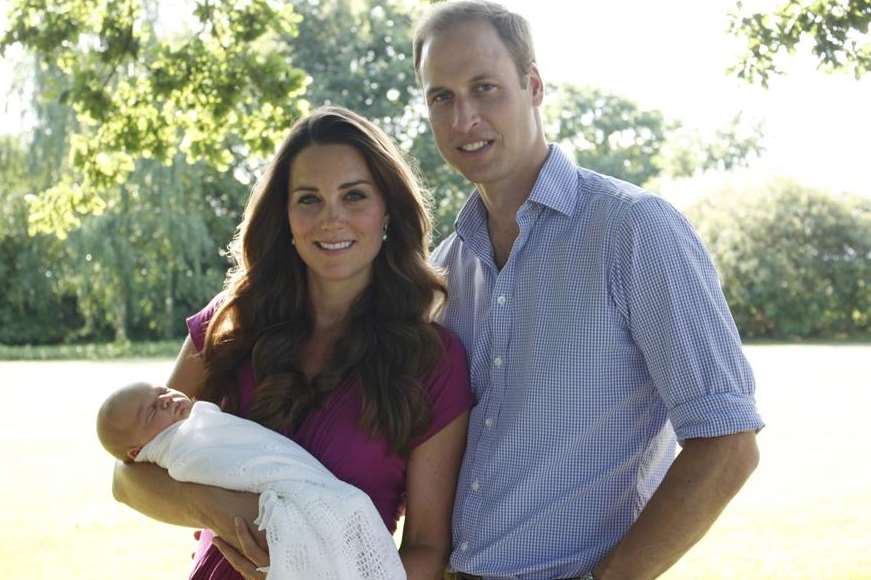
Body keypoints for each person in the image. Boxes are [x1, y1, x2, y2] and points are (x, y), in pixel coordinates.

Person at [412, 2, 765, 579]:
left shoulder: (634, 230)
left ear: (532, 86)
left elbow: (727, 443)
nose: (463, 118)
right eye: (441, 97)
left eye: (484, 88)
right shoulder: (444, 270)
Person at [111, 106, 473, 580]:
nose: (332, 219)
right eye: (309, 199)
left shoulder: (433, 361)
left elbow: (427, 548)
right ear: (284, 215)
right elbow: (128, 477)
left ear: (388, 210)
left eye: (354, 196)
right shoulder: (231, 321)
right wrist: (219, 508)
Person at [97, 382, 405, 579]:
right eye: (151, 412)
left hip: (325, 501)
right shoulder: (181, 449)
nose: (165, 400)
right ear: (138, 450)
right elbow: (123, 481)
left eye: (161, 391)